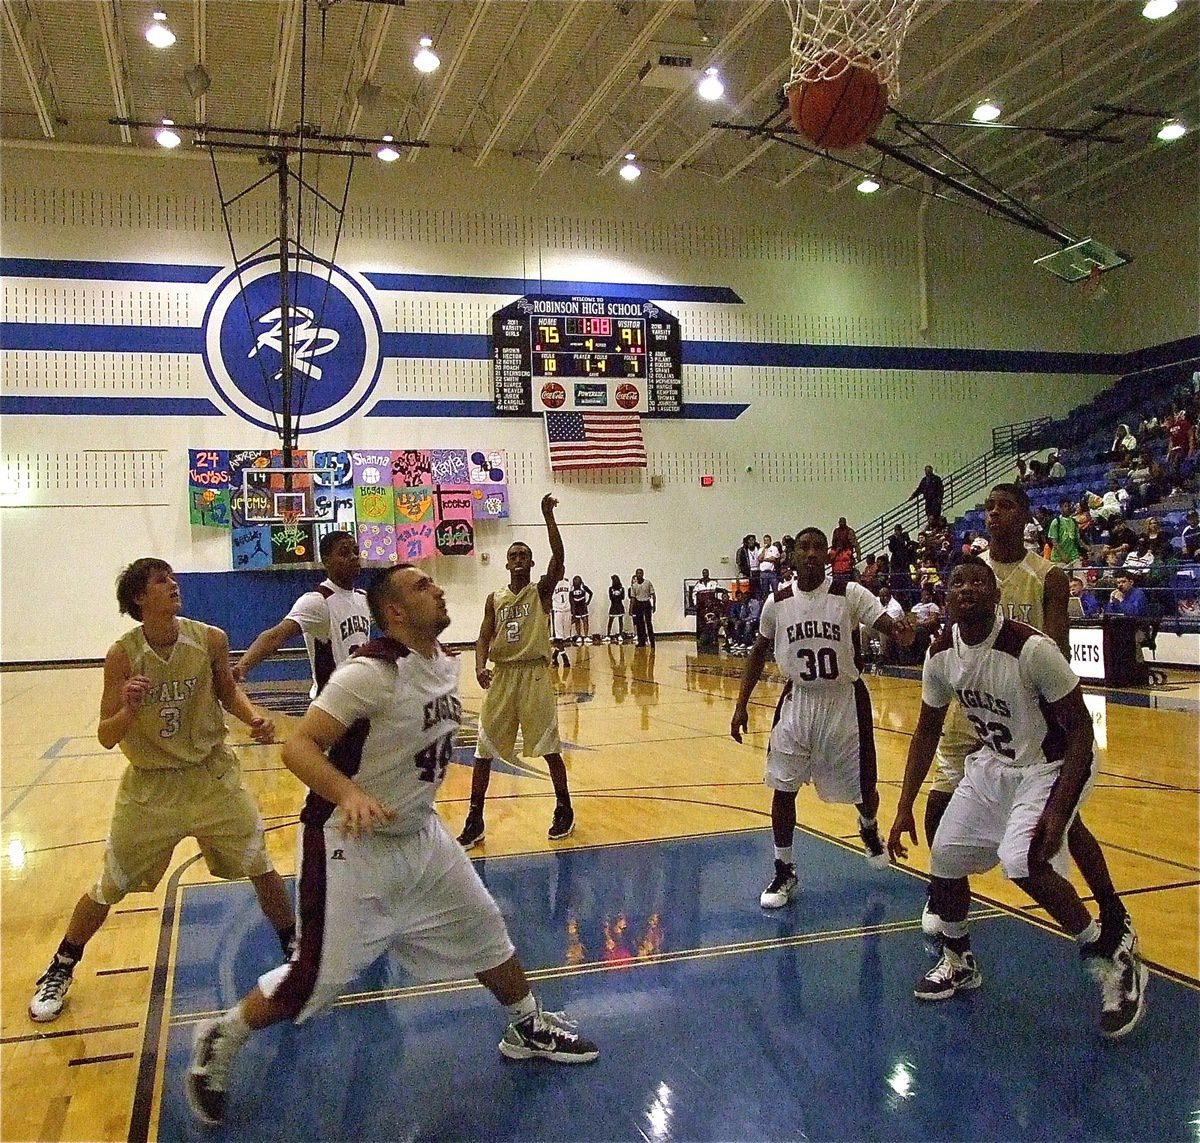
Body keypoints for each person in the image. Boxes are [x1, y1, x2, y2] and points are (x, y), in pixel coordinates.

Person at [184, 564, 598, 1127]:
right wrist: (348, 791)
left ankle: (527, 1024)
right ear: (396, 612)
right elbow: (298, 748)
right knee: (314, 978)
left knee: (485, 927)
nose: (439, 588)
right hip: (349, 840)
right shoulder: (368, 673)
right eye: (423, 586)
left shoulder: (443, 662)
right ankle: (222, 1035)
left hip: (420, 834)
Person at [887, 558, 1147, 1039]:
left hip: (1052, 763)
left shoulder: (1031, 648)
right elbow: (925, 731)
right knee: (945, 855)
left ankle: (1112, 958)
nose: (966, 588)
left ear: (996, 596)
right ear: (946, 597)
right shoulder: (940, 654)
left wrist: (1059, 809)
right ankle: (959, 959)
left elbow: (1081, 730)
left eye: (977, 581)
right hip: (997, 764)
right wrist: (904, 806)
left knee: (1021, 860)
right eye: (957, 582)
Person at [29, 559, 294, 1024]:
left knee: (261, 865)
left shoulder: (210, 638)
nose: (173, 584)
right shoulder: (122, 655)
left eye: (172, 577)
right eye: (160, 580)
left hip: (212, 777)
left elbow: (227, 692)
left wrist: (251, 716)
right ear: (139, 597)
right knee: (108, 885)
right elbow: (106, 735)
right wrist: (129, 709)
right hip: (151, 788)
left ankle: (295, 949)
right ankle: (61, 966)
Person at [922, 484, 1135, 970]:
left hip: (1024, 707)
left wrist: (1031, 693)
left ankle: (1111, 910)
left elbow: (1054, 645)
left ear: (1024, 516)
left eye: (1005, 506)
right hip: (973, 708)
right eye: (989, 507)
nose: (994, 514)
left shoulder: (1047, 575)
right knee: (940, 802)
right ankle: (945, 897)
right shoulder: (971, 570)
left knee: (1065, 824)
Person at [729, 528, 915, 909]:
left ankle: (868, 826)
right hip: (798, 701)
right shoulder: (778, 602)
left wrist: (902, 632)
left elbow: (886, 624)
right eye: (804, 547)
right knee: (783, 788)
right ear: (793, 556)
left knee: (865, 790)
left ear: (827, 556)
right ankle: (784, 869)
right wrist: (741, 704)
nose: (811, 554)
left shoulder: (850, 593)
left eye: (818, 548)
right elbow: (759, 651)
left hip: (843, 701)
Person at [458, 495, 577, 848]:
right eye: (514, 555)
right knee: (483, 748)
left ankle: (564, 808)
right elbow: (483, 637)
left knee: (549, 746)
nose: (519, 559)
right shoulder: (495, 598)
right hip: (503, 675)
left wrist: (547, 517)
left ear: (531, 562)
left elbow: (559, 559)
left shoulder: (541, 591)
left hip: (534, 674)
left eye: (524, 555)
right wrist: (479, 666)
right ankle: (475, 818)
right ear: (507, 564)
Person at [233, 530, 370, 697]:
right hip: (331, 701)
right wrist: (242, 667)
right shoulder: (318, 601)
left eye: (356, 551)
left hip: (360, 697)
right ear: (326, 561)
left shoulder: (363, 598)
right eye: (344, 553)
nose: (354, 557)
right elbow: (274, 636)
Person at [1046, 499, 1084, 567]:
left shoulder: (1074, 522)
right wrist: (1063, 556)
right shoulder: (1056, 522)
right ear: (1061, 508)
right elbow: (1054, 542)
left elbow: (1077, 539)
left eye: (1069, 506)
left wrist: (1087, 548)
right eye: (1065, 506)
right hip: (1059, 559)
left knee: (1079, 573)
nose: (1068, 508)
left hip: (1074, 556)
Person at [629, 568, 657, 647]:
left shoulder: (647, 583)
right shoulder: (634, 585)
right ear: (636, 574)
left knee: (648, 623)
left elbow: (653, 594)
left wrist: (654, 605)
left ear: (643, 574)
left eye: (640, 573)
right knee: (639, 624)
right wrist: (631, 608)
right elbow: (633, 598)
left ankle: (652, 642)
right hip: (638, 604)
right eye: (638, 573)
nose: (639, 575)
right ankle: (641, 642)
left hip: (646, 603)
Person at [550, 574, 571, 668]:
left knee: (565, 638)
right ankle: (565, 658)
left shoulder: (568, 583)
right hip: (557, 611)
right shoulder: (552, 584)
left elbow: (571, 598)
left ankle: (554, 656)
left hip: (567, 611)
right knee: (559, 638)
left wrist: (573, 612)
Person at [568, 574, 594, 645]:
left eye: (578, 581)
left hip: (583, 608)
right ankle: (579, 635)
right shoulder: (571, 590)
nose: (576, 582)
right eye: (575, 581)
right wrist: (572, 611)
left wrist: (588, 602)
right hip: (576, 608)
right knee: (577, 622)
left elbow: (591, 593)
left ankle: (586, 636)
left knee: (585, 621)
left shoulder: (584, 587)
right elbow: (571, 601)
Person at [605, 573, 627, 642]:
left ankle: (620, 634)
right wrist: (616, 595)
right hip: (613, 606)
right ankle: (608, 635)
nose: (615, 582)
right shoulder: (610, 589)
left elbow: (622, 597)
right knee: (610, 620)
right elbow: (611, 598)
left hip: (620, 606)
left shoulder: (622, 589)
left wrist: (617, 595)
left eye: (616, 580)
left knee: (620, 621)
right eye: (613, 580)